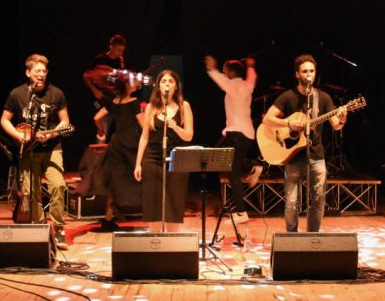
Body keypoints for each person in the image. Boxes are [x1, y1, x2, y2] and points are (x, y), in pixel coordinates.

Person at [262, 54, 347, 232]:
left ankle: (312, 237)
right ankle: (291, 238)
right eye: (305, 71)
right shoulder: (287, 97)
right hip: (293, 156)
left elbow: (336, 126)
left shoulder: (323, 98)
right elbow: (267, 119)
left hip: (316, 156)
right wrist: (288, 123)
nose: (309, 74)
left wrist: (342, 119)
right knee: (291, 202)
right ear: (297, 74)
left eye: (312, 71)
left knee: (319, 200)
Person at [0, 54, 71, 249]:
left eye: (44, 71)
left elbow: (65, 121)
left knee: (58, 186)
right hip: (28, 150)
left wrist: (51, 134)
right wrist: (17, 135)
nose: (41, 74)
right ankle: (40, 228)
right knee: (31, 192)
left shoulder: (56, 93)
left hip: (52, 149)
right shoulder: (17, 94)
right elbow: (4, 120)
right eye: (37, 71)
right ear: (28, 73)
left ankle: (58, 229)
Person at [134, 69, 194, 232]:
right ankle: (155, 240)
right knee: (153, 202)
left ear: (176, 86)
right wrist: (138, 163)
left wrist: (176, 127)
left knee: (174, 202)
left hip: (176, 158)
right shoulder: (151, 107)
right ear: (158, 86)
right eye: (163, 81)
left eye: (171, 81)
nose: (167, 84)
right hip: (153, 157)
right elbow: (144, 137)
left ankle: (172, 241)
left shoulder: (184, 106)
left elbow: (189, 136)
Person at [205, 55, 262, 224]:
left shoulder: (232, 85)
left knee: (230, 170)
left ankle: (241, 212)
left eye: (225, 69)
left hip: (236, 133)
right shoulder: (247, 85)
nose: (224, 72)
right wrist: (251, 66)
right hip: (244, 133)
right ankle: (251, 168)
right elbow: (252, 77)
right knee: (227, 164)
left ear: (231, 72)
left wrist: (211, 69)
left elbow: (219, 79)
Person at [93, 77, 144, 231]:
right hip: (130, 144)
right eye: (133, 82)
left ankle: (108, 218)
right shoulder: (134, 102)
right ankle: (147, 211)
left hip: (116, 144)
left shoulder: (114, 102)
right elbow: (143, 124)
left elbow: (96, 117)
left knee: (115, 182)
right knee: (138, 177)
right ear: (127, 85)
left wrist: (101, 130)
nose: (136, 83)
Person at [83, 34, 127, 109]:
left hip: (108, 99)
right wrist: (94, 90)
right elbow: (85, 76)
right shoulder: (99, 59)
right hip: (96, 95)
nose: (121, 53)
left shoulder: (121, 62)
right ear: (111, 47)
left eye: (122, 51)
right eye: (119, 50)